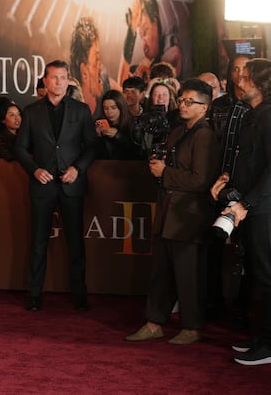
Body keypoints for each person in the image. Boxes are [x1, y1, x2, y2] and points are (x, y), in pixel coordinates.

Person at [126, 79, 221, 345]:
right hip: (169, 210)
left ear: (205, 107)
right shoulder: (179, 131)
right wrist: (160, 167)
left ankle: (192, 326)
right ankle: (154, 322)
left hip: (189, 216)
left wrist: (165, 172)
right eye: (182, 100)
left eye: (190, 101)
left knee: (188, 275)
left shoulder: (206, 136)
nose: (183, 104)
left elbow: (201, 180)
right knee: (161, 272)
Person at [14, 60, 97, 312]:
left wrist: (77, 169)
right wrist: (35, 169)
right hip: (43, 185)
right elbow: (19, 148)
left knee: (75, 242)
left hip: (72, 185)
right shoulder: (31, 112)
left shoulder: (81, 110)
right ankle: (35, 295)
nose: (59, 82)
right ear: (45, 81)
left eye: (63, 77)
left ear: (68, 81)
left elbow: (92, 146)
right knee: (38, 241)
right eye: (54, 77)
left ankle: (80, 294)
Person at [210, 58, 271, 365]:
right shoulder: (252, 115)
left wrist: (247, 204)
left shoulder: (268, 116)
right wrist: (227, 180)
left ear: (262, 84)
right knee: (259, 276)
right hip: (251, 208)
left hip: (263, 210)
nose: (240, 81)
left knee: (267, 275)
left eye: (246, 77)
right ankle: (263, 337)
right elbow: (249, 163)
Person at [119, 0, 182, 84]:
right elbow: (122, 84)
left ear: (156, 23)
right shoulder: (139, 69)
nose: (143, 43)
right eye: (141, 37)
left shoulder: (171, 53)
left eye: (145, 32)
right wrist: (131, 31)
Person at [94, 90, 136, 160]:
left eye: (113, 108)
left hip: (127, 166)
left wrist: (117, 135)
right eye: (105, 108)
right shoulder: (99, 123)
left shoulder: (132, 123)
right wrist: (98, 135)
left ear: (121, 107)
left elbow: (135, 150)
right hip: (104, 166)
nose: (109, 112)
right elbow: (96, 153)